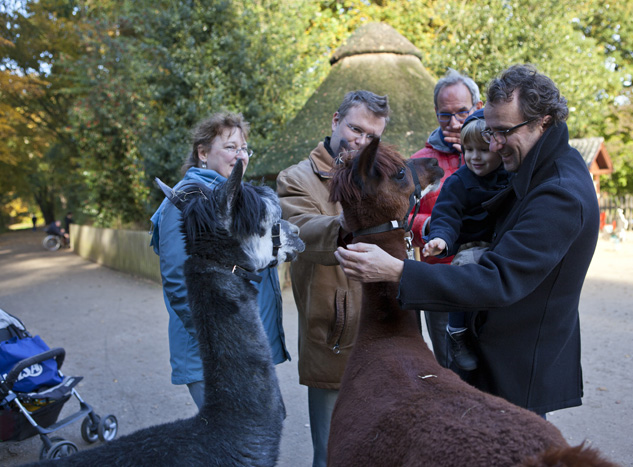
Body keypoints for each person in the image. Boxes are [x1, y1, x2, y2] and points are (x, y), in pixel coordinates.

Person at [335, 64, 600, 417]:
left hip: (516, 368)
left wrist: (400, 271)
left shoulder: (560, 193)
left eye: (503, 131)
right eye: (490, 132)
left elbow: (498, 278)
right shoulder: (532, 169)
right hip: (496, 353)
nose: (493, 145)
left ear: (544, 122)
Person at [276, 90, 390, 467]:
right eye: (355, 128)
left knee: (378, 449)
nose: (361, 141)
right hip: (333, 335)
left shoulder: (380, 175)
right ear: (335, 121)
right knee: (331, 455)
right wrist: (351, 222)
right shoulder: (295, 178)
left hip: (381, 333)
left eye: (371, 136)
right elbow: (300, 233)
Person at [150, 111, 290, 410]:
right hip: (216, 353)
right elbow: (179, 280)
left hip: (246, 347)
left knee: (260, 437)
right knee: (232, 448)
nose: (240, 156)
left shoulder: (237, 198)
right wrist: (221, 342)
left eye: (243, 149)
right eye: (230, 147)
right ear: (202, 152)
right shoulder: (186, 201)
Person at [422, 110, 510, 371]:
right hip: (472, 248)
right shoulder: (459, 182)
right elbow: (447, 216)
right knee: (466, 267)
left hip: (502, 247)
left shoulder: (510, 177)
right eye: (468, 150)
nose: (474, 157)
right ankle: (457, 330)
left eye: (483, 150)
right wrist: (440, 239)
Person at [409, 69, 482, 369]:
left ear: (478, 108)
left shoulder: (495, 153)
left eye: (462, 112)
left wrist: (471, 154)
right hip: (440, 281)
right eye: (444, 115)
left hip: (488, 275)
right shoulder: (418, 162)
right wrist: (427, 226)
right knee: (449, 368)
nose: (453, 123)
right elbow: (402, 218)